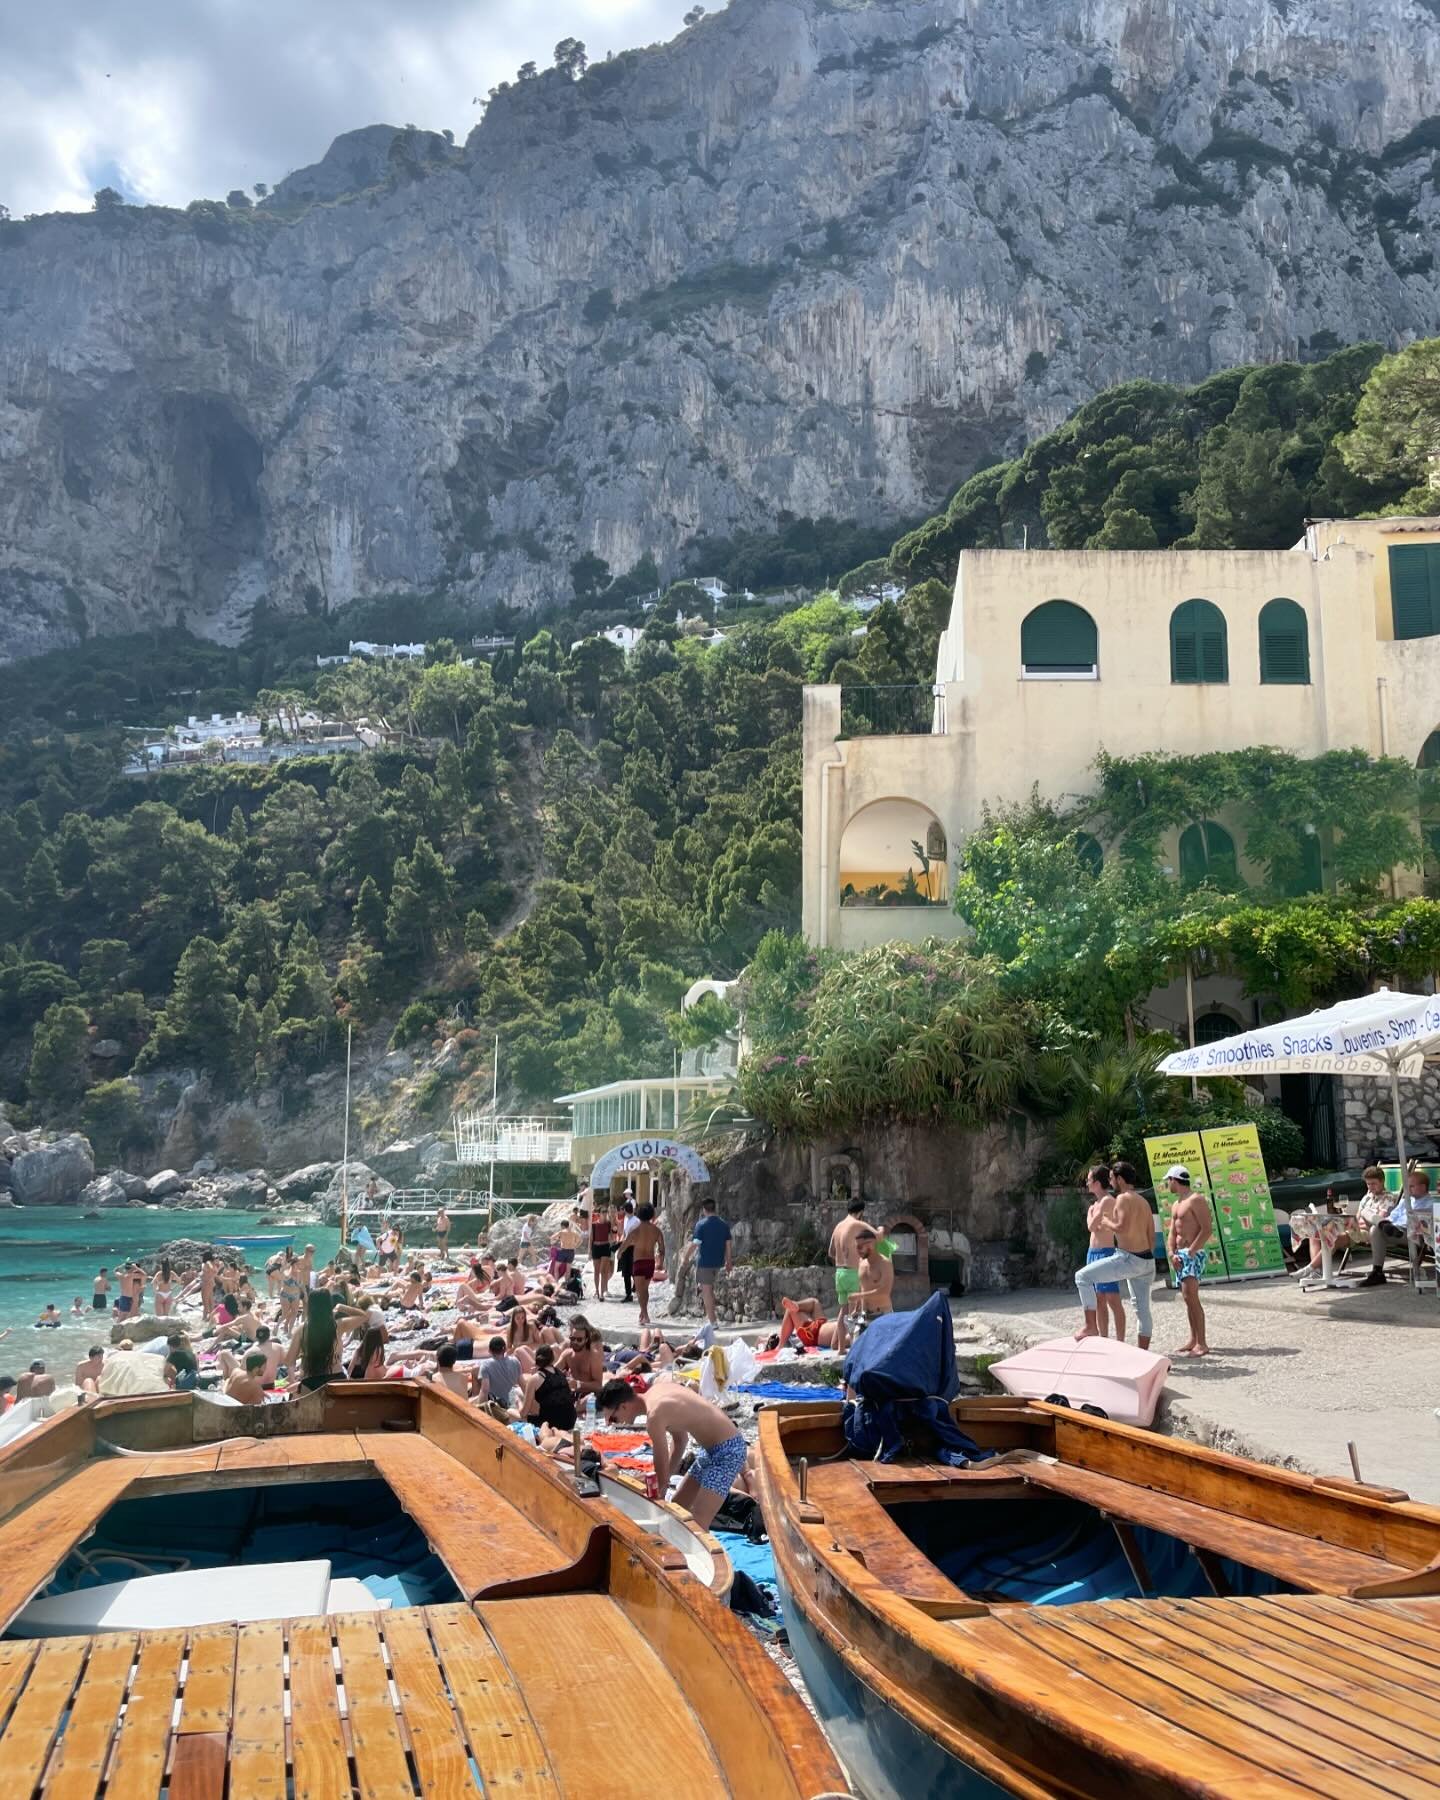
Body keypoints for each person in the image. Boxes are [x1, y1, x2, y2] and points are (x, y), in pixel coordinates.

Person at [599, 1378, 749, 1530]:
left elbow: (661, 1460)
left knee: (699, 1521)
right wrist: (663, 1483)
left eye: (612, 1418)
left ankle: (700, 1552)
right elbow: (680, 1441)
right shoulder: (658, 1391)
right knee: (677, 1508)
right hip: (710, 1450)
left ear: (623, 1406)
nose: (612, 1423)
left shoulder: (655, 1415)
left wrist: (659, 1490)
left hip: (728, 1452)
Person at [1073, 1161, 1156, 1351]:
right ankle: (1143, 1353)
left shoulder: (1122, 1199)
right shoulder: (1143, 1202)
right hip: (1146, 1260)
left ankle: (1090, 1326)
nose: (1110, 1182)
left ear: (1119, 1179)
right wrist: (1145, 1259)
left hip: (1128, 1258)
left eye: (1111, 1178)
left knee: (1082, 1277)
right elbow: (1151, 1235)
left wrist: (1106, 1220)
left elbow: (1121, 1227)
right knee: (1142, 1311)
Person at [1164, 1165, 1213, 1356]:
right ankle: (1193, 1339)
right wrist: (1171, 1252)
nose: (1168, 1184)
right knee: (1187, 1298)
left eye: (1169, 1180)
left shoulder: (1196, 1199)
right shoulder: (1177, 1203)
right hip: (1180, 1255)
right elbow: (1172, 1231)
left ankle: (1202, 1343)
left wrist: (1191, 1252)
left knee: (1191, 1297)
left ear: (1175, 1180)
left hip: (1191, 1254)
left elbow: (1206, 1228)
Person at [1083, 1165, 1126, 1340]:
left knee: (1112, 1299)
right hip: (1092, 1252)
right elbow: (1091, 1227)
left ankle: (1121, 1340)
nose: (1086, 1183)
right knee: (1098, 1299)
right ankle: (1104, 1338)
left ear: (1097, 1183)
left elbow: (1094, 1225)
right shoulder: (1094, 1205)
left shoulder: (1107, 1200)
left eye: (1089, 1180)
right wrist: (1095, 1217)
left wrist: (1096, 1218)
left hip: (1106, 1252)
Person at [686, 1198, 733, 1326]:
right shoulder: (724, 1225)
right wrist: (729, 1262)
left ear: (704, 1210)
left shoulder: (701, 1225)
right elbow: (728, 1245)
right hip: (719, 1262)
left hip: (705, 1263)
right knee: (711, 1291)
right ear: (714, 1208)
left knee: (707, 1292)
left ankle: (713, 1322)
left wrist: (686, 1256)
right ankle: (711, 1318)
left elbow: (695, 1243)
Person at [518, 1345, 578, 1429]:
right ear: (552, 1359)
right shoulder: (560, 1373)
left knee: (511, 1413)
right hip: (571, 1421)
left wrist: (518, 1403)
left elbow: (523, 1413)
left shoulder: (535, 1379)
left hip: (551, 1423)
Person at [828, 1197, 869, 1317]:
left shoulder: (838, 1226)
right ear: (861, 1212)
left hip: (840, 1273)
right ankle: (850, 1337)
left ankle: (840, 1337)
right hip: (853, 1273)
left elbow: (831, 1252)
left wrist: (843, 1257)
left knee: (843, 1314)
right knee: (853, 1316)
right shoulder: (857, 1225)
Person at [627, 1203, 666, 1327]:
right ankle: (642, 1313)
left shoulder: (636, 1231)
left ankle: (646, 1314)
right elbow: (662, 1248)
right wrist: (661, 1261)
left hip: (638, 1262)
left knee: (640, 1291)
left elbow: (626, 1243)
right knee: (645, 1289)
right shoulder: (656, 1230)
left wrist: (619, 1252)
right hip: (650, 1262)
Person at [774, 1296, 847, 1353]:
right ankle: (797, 1306)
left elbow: (835, 1344)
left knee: (790, 1310)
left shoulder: (853, 1335)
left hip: (812, 1335)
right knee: (815, 1302)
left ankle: (780, 1345)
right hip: (821, 1324)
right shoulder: (855, 1328)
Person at [559, 1316, 605, 1400]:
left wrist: (578, 1384)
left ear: (586, 1340)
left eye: (579, 1340)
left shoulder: (593, 1356)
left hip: (588, 1396)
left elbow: (599, 1385)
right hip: (571, 1394)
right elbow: (552, 1370)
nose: (575, 1342)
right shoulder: (567, 1354)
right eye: (572, 1339)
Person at [856, 1228, 894, 1317]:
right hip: (864, 1314)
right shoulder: (861, 1261)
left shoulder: (885, 1262)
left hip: (882, 1314)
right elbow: (862, 1286)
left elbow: (885, 1291)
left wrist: (858, 1296)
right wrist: (856, 1308)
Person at [478, 1336, 523, 1410]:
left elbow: (484, 1390)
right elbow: (522, 1384)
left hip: (498, 1406)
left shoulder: (485, 1365)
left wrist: (480, 1410)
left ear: (489, 1350)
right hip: (514, 1403)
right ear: (505, 1349)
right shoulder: (515, 1361)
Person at [587, 1200, 614, 1301]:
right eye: (603, 1212)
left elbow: (612, 1236)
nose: (605, 1214)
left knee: (603, 1271)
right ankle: (596, 1291)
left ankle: (602, 1293)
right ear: (599, 1214)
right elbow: (591, 1238)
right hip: (596, 1247)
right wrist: (589, 1252)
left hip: (605, 1247)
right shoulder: (594, 1224)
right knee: (596, 1271)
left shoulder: (608, 1224)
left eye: (605, 1212)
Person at [616, 1197, 638, 1302]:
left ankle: (636, 1286)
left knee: (632, 1270)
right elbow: (625, 1234)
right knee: (626, 1272)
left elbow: (635, 1236)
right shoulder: (625, 1219)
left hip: (633, 1247)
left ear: (625, 1210)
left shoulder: (636, 1221)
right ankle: (628, 1294)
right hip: (625, 1246)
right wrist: (620, 1244)